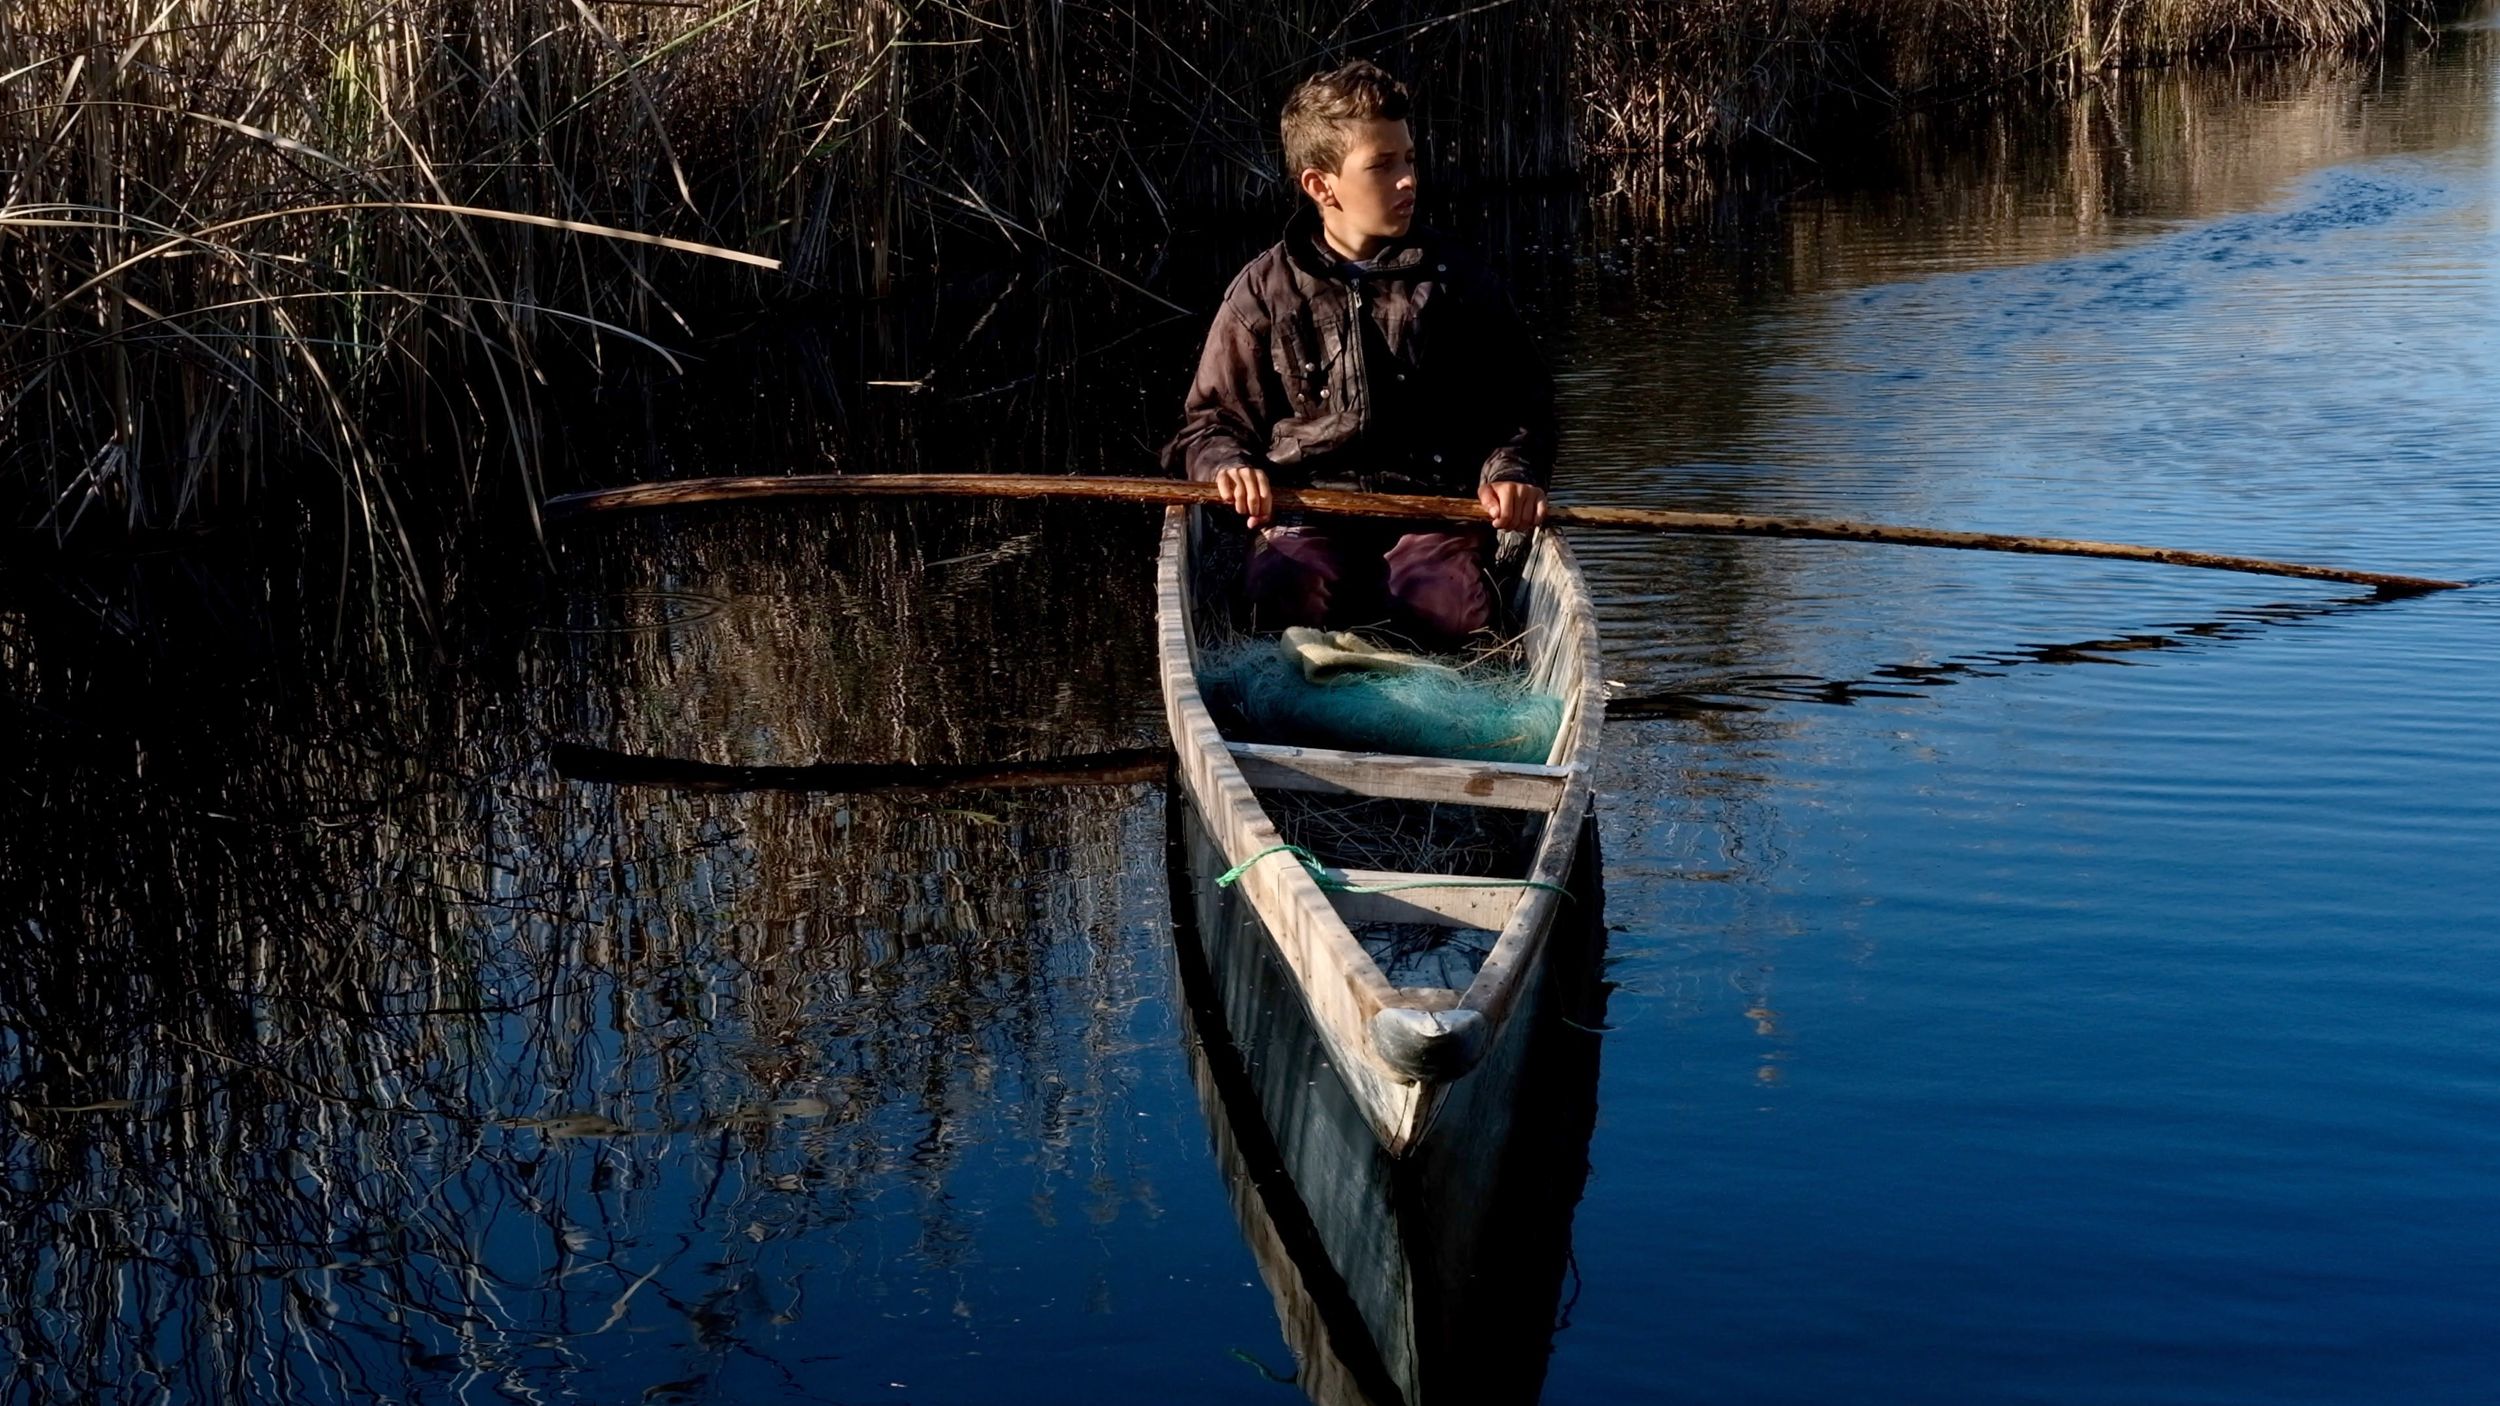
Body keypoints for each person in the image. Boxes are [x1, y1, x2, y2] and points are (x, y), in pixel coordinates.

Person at [1163, 59, 1555, 649]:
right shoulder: (1263, 292)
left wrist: (1512, 474)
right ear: (1321, 186)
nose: (1408, 180)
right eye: (1383, 165)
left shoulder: (1460, 282)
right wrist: (1229, 467)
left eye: (1410, 160)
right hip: (1305, 509)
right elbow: (1207, 424)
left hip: (1431, 510)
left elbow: (1522, 406)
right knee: (1283, 594)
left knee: (1450, 609)